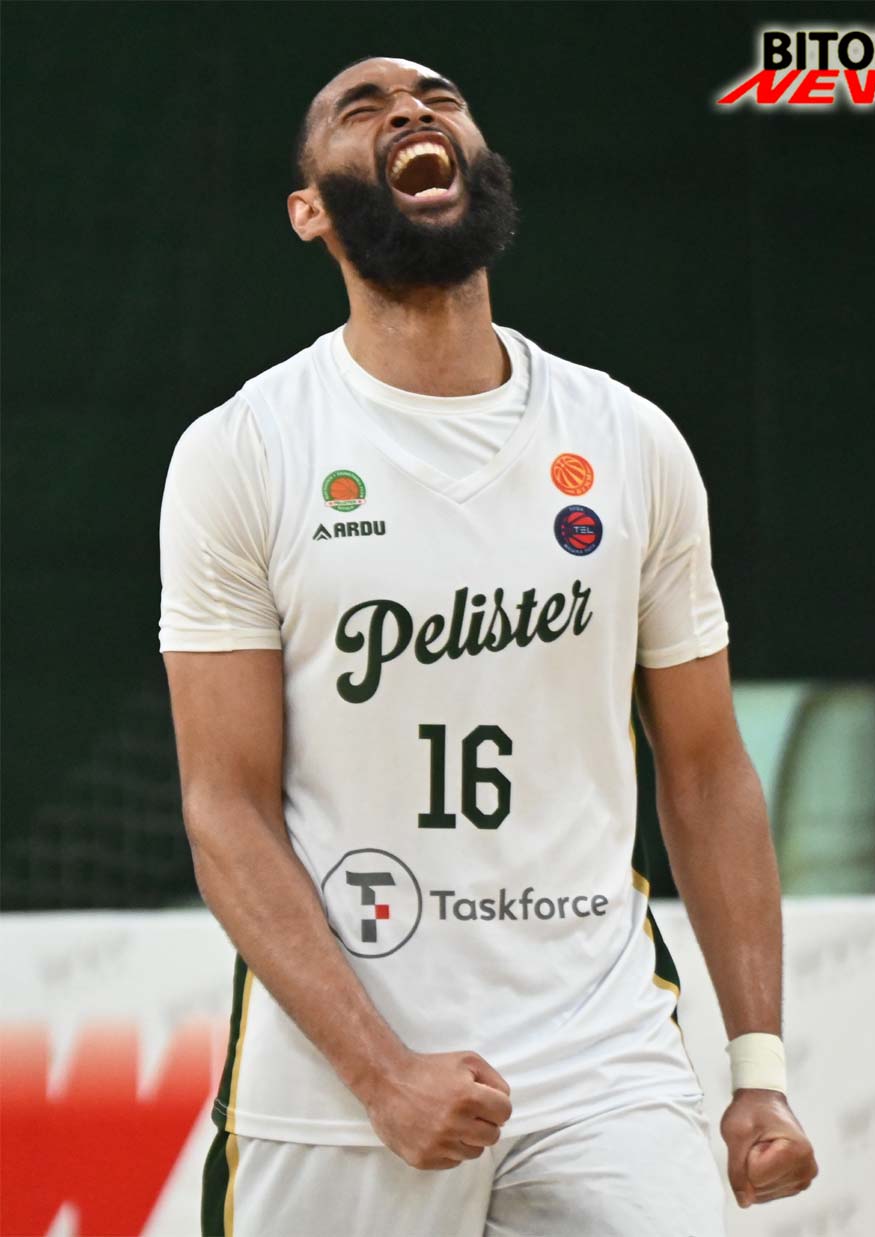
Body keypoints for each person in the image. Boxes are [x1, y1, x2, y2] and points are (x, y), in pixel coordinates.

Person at [159, 54, 818, 1237]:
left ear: (483, 164)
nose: (411, 110)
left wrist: (757, 1067)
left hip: (598, 1053)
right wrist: (380, 1074)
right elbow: (225, 806)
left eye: (439, 99)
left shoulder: (629, 441)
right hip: (340, 1072)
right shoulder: (243, 451)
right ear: (309, 211)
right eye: (361, 110)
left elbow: (707, 767)